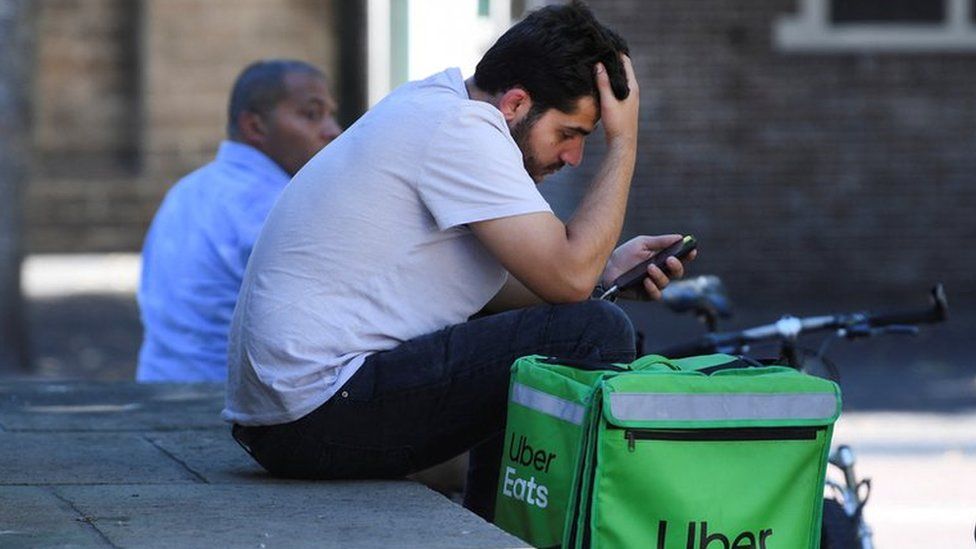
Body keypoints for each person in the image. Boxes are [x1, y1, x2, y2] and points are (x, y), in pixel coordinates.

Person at [225, 2, 695, 519]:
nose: (573, 157)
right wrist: (624, 142)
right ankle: (506, 525)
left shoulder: (434, 103)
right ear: (516, 104)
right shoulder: (462, 130)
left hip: (287, 418)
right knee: (596, 332)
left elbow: (537, 287)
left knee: (569, 319)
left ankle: (493, 520)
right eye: (571, 134)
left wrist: (605, 275)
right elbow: (567, 280)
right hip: (315, 416)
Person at [136, 60, 342, 382]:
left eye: (330, 114)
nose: (333, 131)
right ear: (255, 127)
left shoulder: (187, 189)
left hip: (156, 383)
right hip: (223, 400)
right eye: (312, 114)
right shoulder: (277, 207)